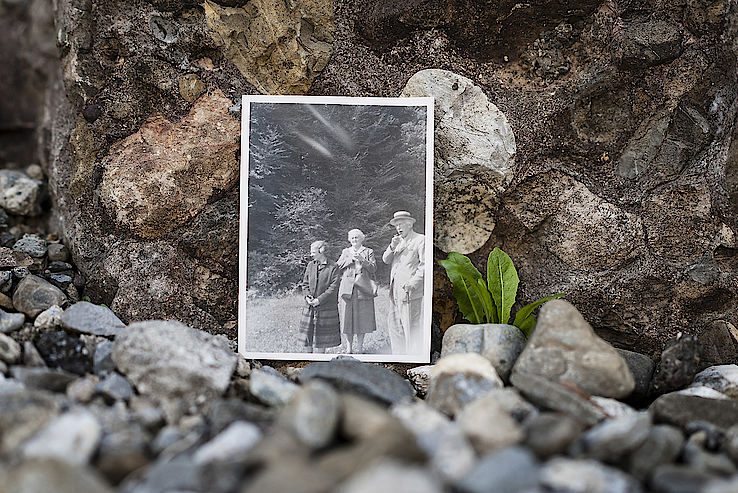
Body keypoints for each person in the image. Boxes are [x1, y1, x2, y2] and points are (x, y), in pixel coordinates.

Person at [382, 211, 425, 355]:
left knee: (410, 327)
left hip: (409, 292)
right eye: (396, 225)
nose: (398, 228)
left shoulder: (420, 240)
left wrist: (413, 283)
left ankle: (412, 358)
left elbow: (424, 265)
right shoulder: (397, 241)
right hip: (394, 291)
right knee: (395, 327)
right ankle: (398, 358)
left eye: (401, 224)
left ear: (410, 223)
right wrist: (392, 246)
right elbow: (385, 260)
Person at [336, 228, 377, 353]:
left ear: (361, 239)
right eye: (352, 238)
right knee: (347, 318)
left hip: (363, 288)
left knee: (362, 318)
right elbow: (338, 266)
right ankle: (349, 348)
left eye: (357, 237)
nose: (354, 240)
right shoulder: (345, 251)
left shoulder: (368, 251)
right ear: (349, 240)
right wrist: (351, 260)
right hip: (348, 288)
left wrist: (363, 260)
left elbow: (373, 268)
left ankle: (360, 347)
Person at [298, 240, 341, 352]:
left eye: (313, 252)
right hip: (310, 306)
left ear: (321, 251)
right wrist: (307, 296)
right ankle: (309, 358)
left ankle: (321, 358)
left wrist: (319, 300)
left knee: (322, 338)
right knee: (307, 335)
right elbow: (305, 283)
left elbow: (333, 287)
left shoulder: (334, 266)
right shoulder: (310, 265)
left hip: (326, 307)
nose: (311, 254)